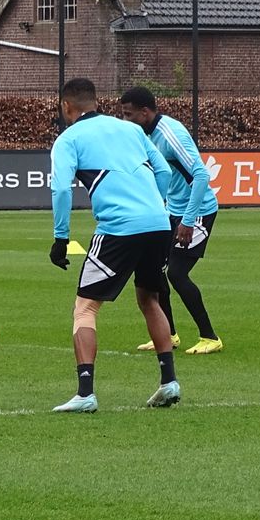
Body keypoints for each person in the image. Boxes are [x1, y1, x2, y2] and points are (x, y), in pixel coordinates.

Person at [48, 77, 180, 413]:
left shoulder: (68, 139)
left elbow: (61, 190)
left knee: (86, 307)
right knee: (150, 298)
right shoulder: (131, 130)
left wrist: (61, 237)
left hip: (119, 228)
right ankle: (169, 382)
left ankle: (85, 393)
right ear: (96, 101)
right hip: (158, 223)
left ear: (67, 107)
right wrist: (155, 206)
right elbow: (163, 171)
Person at [118, 86, 224, 356]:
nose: (125, 120)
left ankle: (209, 337)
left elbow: (201, 176)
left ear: (145, 112)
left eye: (129, 115)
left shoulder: (170, 133)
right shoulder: (144, 135)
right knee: (154, 271)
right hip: (172, 212)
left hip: (197, 211)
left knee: (177, 273)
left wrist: (187, 221)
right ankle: (168, 334)